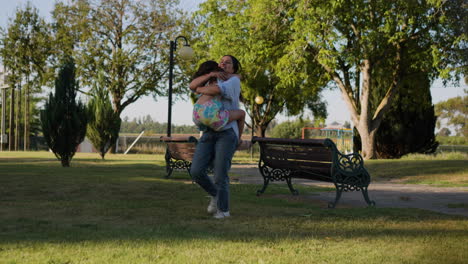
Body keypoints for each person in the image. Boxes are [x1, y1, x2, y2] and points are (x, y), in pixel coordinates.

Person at [189, 55, 242, 219]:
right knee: (196, 171)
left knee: (220, 173)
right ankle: (215, 195)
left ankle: (223, 211)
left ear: (233, 68)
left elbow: (216, 91)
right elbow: (192, 84)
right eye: (222, 61)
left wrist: (198, 89)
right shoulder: (212, 80)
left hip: (226, 132)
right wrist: (209, 75)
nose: (224, 63)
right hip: (209, 131)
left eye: (228, 62)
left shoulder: (233, 81)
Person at [191, 60, 245, 141]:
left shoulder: (203, 82)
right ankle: (239, 140)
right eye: (220, 63)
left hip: (196, 115)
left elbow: (191, 86)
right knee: (242, 114)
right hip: (208, 114)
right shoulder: (216, 79)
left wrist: (198, 89)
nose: (222, 64)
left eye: (227, 62)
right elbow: (217, 89)